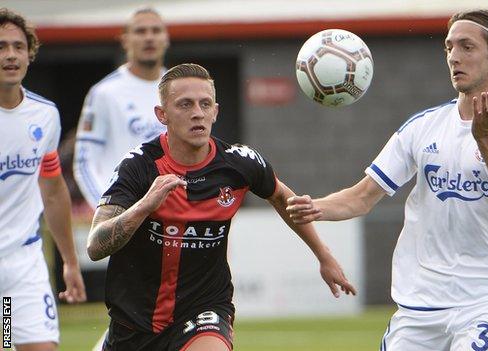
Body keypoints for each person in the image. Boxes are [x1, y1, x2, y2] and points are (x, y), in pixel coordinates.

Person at [287, 9, 488, 350]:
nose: (454, 57)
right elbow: (362, 196)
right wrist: (315, 207)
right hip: (419, 308)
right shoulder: (423, 127)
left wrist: (485, 139)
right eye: (449, 47)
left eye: (466, 47)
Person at [86, 63, 356, 351]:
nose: (197, 113)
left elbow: (282, 198)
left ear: (215, 111)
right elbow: (95, 246)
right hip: (134, 321)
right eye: (185, 104)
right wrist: (144, 206)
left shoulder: (239, 163)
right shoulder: (137, 167)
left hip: (204, 309)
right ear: (162, 115)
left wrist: (323, 256)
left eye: (205, 104)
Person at [0, 8, 86, 351]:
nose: (10, 55)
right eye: (1, 46)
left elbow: (52, 191)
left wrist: (69, 261)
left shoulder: (45, 115)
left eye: (18, 47)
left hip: (22, 265)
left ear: (29, 54)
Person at [73, 7, 169, 209]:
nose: (149, 38)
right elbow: (85, 162)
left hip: (174, 213)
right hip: (124, 213)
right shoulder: (104, 92)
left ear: (166, 38)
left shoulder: (181, 88)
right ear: (125, 40)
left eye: (155, 31)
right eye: (140, 31)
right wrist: (106, 207)